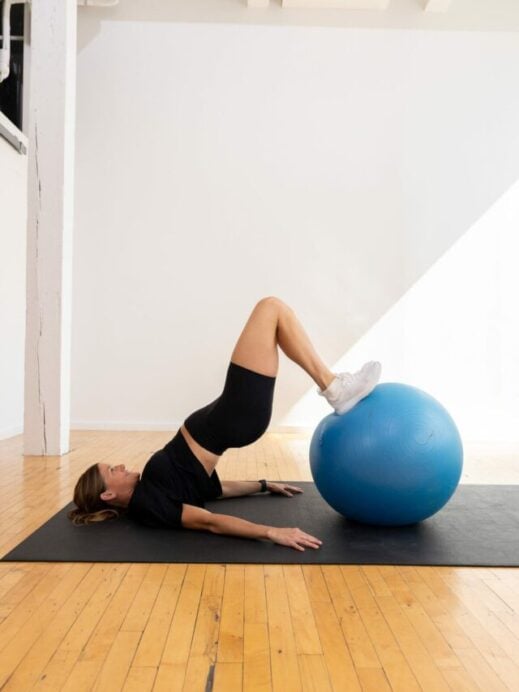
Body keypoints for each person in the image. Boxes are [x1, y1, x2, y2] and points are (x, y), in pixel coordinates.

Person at [69, 297, 381, 551]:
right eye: (113, 471)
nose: (120, 466)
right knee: (270, 309)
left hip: (234, 415)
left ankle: (334, 386)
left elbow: (215, 491)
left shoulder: (152, 491)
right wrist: (272, 532)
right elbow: (209, 521)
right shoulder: (147, 506)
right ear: (108, 495)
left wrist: (262, 485)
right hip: (236, 415)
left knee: (275, 314)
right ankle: (334, 388)